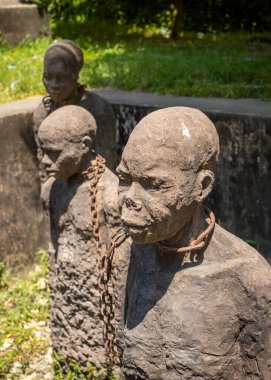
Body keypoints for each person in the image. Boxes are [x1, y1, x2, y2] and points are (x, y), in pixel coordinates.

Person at [113, 106, 271, 379]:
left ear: (201, 186)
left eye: (153, 185)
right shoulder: (129, 256)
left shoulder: (248, 280)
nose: (130, 199)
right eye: (125, 179)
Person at [38, 105, 120, 370]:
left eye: (54, 153)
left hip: (99, 303)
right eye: (42, 151)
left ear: (84, 145)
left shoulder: (110, 195)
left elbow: (123, 264)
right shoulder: (51, 190)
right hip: (67, 297)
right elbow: (52, 244)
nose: (44, 161)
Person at [33, 39, 117, 179]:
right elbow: (43, 166)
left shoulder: (98, 109)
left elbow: (106, 162)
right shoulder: (42, 113)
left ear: (75, 76)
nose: (53, 85)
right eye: (48, 76)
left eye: (61, 78)